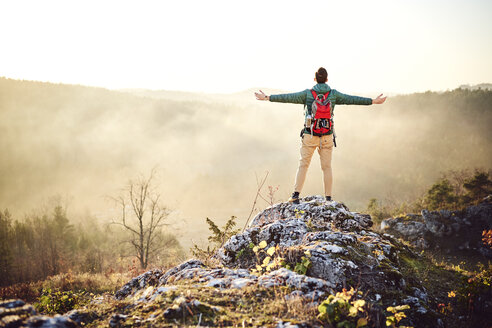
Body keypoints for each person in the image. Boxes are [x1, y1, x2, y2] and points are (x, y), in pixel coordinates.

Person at [255, 67, 386, 204]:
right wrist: (373, 101)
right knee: (327, 167)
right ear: (327, 79)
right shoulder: (333, 94)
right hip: (327, 136)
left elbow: (288, 97)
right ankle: (328, 198)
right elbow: (352, 99)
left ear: (315, 78)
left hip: (310, 135)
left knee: (303, 165)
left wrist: (267, 98)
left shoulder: (308, 94)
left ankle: (295, 195)